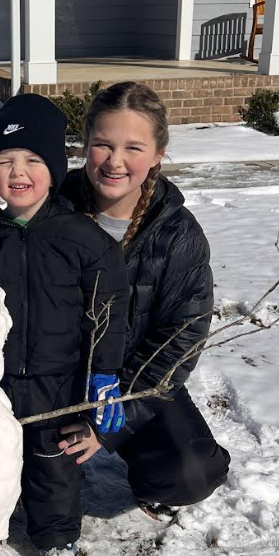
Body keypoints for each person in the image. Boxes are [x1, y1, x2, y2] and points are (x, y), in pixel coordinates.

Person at [0, 94, 128, 556]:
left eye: (32, 160)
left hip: (59, 380)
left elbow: (108, 312)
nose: (18, 172)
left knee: (53, 464)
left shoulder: (84, 239)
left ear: (54, 168)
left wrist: (104, 374)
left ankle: (57, 538)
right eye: (4, 161)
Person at [58, 81, 230, 518]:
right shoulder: (54, 210)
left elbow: (182, 338)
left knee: (190, 472)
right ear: (85, 147)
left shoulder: (178, 234)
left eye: (133, 147)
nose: (116, 162)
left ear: (158, 154)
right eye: (103, 144)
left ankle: (147, 476)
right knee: (36, 473)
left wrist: (113, 419)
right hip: (53, 374)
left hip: (134, 377)